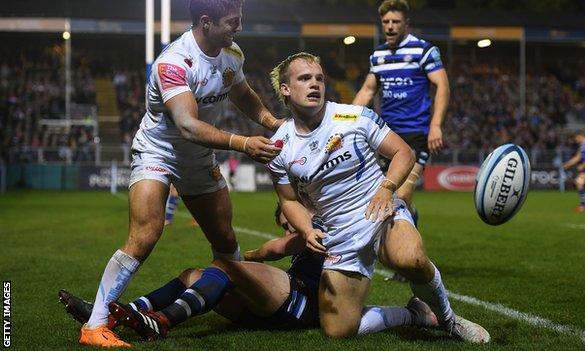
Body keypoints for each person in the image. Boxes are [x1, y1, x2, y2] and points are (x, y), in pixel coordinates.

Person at [78, 0, 283, 347]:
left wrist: (272, 122)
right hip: (158, 152)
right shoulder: (174, 62)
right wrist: (243, 142)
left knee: (225, 240)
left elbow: (243, 94)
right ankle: (94, 326)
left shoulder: (232, 53)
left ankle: (239, 304)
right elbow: (187, 125)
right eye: (232, 22)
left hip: (198, 157)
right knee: (146, 234)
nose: (239, 29)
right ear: (206, 21)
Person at [268, 52, 488, 343]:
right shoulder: (279, 146)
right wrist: (308, 230)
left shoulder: (353, 116)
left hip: (381, 211)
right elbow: (289, 201)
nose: (315, 84)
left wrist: (387, 188)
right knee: (337, 331)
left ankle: (449, 321)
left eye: (319, 78)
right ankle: (415, 314)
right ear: (285, 88)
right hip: (340, 235)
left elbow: (403, 152)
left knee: (410, 259)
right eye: (305, 78)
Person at [59, 206, 435, 343]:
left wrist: (243, 258)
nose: (288, 227)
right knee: (194, 274)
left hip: (303, 305)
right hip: (284, 304)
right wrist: (246, 260)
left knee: (223, 266)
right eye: (285, 224)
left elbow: (274, 249)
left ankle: (160, 320)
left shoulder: (323, 222)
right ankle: (120, 313)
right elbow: (276, 250)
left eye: (287, 222)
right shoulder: (308, 231)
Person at [352, 0, 450, 225]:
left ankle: (409, 251)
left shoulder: (424, 51)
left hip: (416, 134)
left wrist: (436, 125)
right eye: (385, 21)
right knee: (388, 197)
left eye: (395, 21)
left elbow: (442, 85)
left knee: (402, 194)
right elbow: (367, 91)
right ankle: (404, 226)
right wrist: (348, 121)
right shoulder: (378, 56)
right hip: (387, 137)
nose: (390, 26)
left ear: (406, 23)